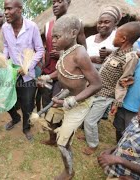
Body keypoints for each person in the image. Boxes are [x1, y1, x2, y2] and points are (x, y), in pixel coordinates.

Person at [40, 15, 102, 179]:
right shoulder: (64, 50)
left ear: (73, 33)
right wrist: (48, 77)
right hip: (65, 93)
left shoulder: (80, 54)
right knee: (51, 120)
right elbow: (62, 70)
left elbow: (97, 84)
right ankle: (53, 140)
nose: (53, 40)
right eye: (52, 36)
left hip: (78, 102)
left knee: (64, 142)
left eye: (57, 36)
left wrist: (73, 101)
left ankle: (69, 171)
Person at [81, 21, 140, 155]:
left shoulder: (130, 57)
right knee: (88, 116)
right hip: (96, 90)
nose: (113, 38)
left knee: (90, 120)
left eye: (115, 35)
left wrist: (117, 102)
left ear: (123, 39)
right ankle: (88, 135)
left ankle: (93, 144)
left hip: (105, 96)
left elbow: (124, 81)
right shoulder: (116, 52)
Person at [38, 0, 87, 146]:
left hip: (66, 77)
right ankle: (52, 137)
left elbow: (83, 48)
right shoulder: (47, 25)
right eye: (53, 2)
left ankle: (63, 136)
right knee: (47, 104)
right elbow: (44, 49)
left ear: (68, 2)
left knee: (59, 106)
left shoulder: (77, 24)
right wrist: (44, 71)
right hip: (50, 72)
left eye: (60, 1)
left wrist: (63, 56)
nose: (55, 4)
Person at [2, 0, 45, 141]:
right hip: (12, 72)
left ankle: (26, 127)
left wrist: (28, 66)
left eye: (9, 9)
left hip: (28, 74)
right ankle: (15, 118)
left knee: (27, 103)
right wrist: (3, 60)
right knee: (6, 99)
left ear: (19, 9)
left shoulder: (31, 27)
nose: (6, 12)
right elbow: (6, 46)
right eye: (5, 9)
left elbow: (39, 50)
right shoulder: (5, 28)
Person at [112, 11, 140, 142]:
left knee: (132, 132)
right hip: (125, 97)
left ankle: (124, 153)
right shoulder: (137, 42)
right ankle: (118, 148)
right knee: (119, 127)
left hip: (139, 104)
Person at [98, 103, 140, 180]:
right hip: (117, 172)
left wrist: (119, 160)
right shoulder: (136, 120)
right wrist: (111, 150)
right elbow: (125, 140)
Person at [86, 6, 121, 70]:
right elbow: (79, 57)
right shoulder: (89, 39)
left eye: (106, 22)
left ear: (115, 23)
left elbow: (127, 57)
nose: (102, 25)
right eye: (99, 22)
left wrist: (110, 53)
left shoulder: (119, 38)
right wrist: (91, 59)